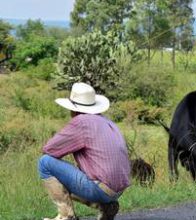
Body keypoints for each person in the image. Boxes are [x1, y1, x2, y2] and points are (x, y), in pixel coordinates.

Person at [37, 82, 131, 220]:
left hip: (100, 189)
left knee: (45, 163)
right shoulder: (108, 122)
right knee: (71, 175)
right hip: (118, 190)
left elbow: (49, 150)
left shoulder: (81, 121)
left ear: (73, 109)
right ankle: (106, 207)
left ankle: (66, 216)